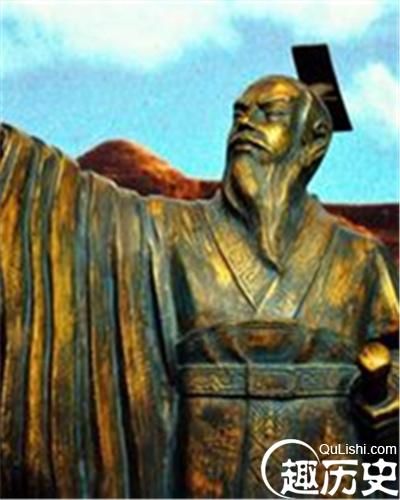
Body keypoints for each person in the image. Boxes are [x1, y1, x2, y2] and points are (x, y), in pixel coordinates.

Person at [0, 76, 398, 498]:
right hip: (210, 459)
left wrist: (386, 394)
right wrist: (15, 167)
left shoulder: (358, 257)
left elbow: (393, 356)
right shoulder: (175, 233)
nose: (247, 123)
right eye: (239, 114)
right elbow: (83, 214)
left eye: (271, 114)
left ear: (314, 140)